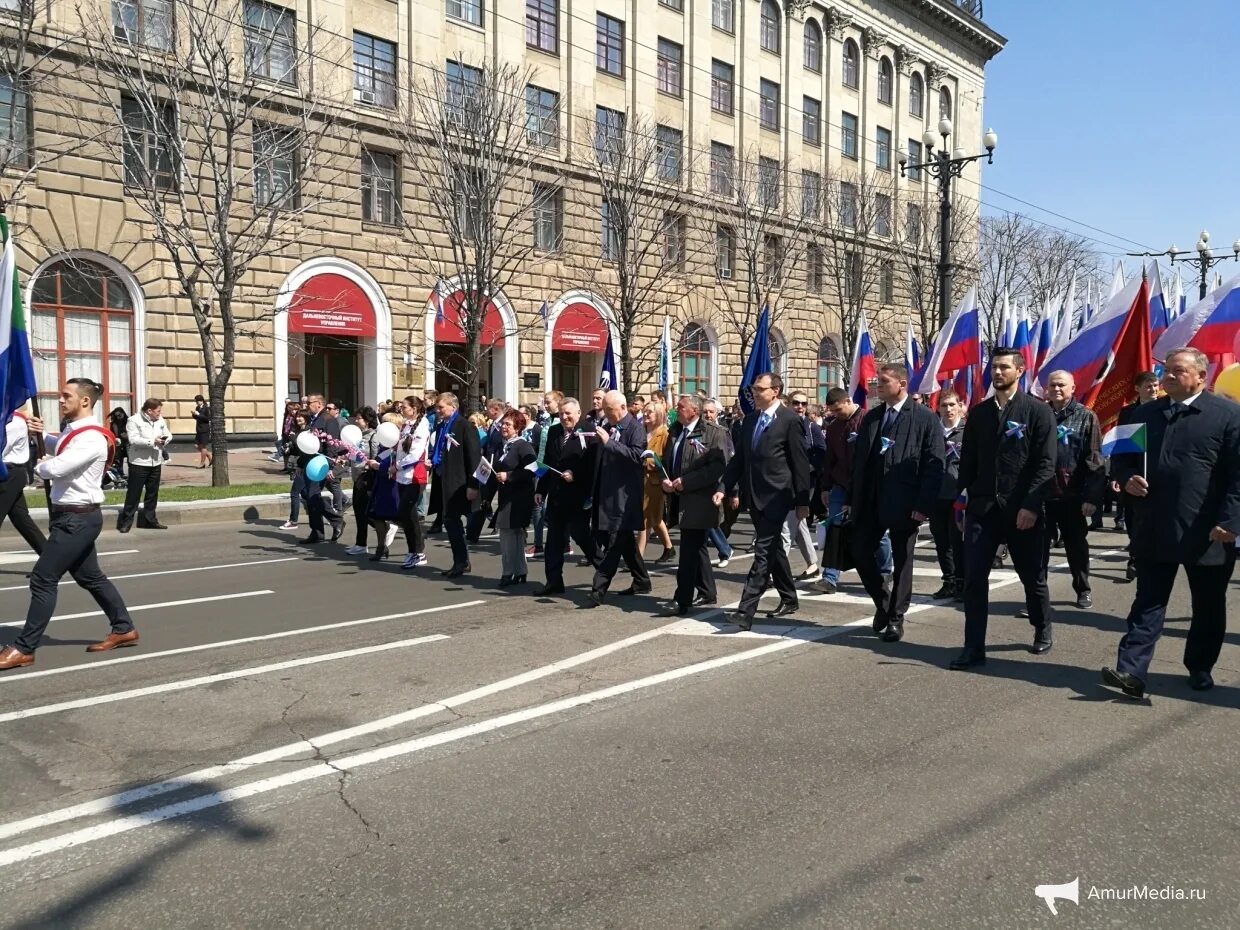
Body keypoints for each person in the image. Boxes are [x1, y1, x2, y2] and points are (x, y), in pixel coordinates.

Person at [1102, 347, 1240, 698]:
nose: (1168, 376)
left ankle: (1200, 666)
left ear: (1200, 377)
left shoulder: (1227, 416)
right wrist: (1127, 477)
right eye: (1166, 370)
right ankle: (1130, 671)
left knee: (1208, 606)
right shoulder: (1144, 414)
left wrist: (1231, 520)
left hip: (1209, 532)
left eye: (1178, 371)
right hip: (1155, 525)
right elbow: (1122, 460)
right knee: (1148, 601)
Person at [0, 379, 137, 671]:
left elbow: (57, 467)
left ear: (85, 401)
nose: (61, 401)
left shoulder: (91, 438)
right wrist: (42, 436)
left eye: (66, 396)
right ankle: (124, 628)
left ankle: (24, 648)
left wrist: (33, 465)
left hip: (77, 518)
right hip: (72, 517)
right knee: (91, 578)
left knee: (42, 579)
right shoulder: (74, 432)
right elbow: (61, 445)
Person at [950, 347, 1057, 670]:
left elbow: (1046, 464)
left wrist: (1030, 506)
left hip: (1021, 510)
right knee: (974, 579)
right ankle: (973, 646)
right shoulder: (980, 414)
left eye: (1004, 368)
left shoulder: (1037, 412)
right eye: (994, 367)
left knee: (1031, 576)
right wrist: (958, 502)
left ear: (1020, 371)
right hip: (982, 509)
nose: (997, 373)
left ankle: (1042, 626)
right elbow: (967, 461)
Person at [847, 364, 946, 642]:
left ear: (902, 384)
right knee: (859, 550)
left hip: (905, 502)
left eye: (884, 382)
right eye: (877, 382)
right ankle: (883, 600)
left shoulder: (924, 418)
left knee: (902, 561)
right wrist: (853, 499)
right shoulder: (873, 418)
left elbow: (933, 465)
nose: (878, 386)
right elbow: (861, 462)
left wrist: (923, 504)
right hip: (871, 501)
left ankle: (895, 617)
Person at [720, 373, 812, 631]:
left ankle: (745, 610)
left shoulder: (790, 421)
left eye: (760, 389)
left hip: (778, 497)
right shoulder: (750, 421)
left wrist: (802, 501)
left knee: (762, 553)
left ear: (776, 391)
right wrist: (723, 487)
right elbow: (739, 461)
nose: (755, 394)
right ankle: (789, 597)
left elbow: (800, 464)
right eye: (753, 389)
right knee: (773, 550)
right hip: (754, 496)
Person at [816, 388, 893, 595]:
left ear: (849, 400)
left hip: (866, 486)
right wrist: (825, 487)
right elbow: (829, 459)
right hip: (840, 484)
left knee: (876, 530)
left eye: (839, 409)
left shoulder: (870, 421)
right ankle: (830, 577)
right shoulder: (833, 428)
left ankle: (885, 570)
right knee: (835, 528)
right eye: (832, 411)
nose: (836, 414)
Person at [659, 395, 728, 616]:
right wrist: (666, 481)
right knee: (697, 548)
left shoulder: (714, 433)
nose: (676, 410)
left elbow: (716, 468)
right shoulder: (675, 431)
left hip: (700, 502)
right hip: (679, 497)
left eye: (680, 407)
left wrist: (686, 482)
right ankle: (707, 591)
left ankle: (682, 599)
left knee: (688, 551)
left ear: (694, 411)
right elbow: (671, 460)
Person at [1041, 370, 1105, 610]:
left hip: (1073, 496)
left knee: (1076, 546)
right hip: (1043, 496)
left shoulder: (1086, 417)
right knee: (1038, 550)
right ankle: (1038, 596)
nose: (1056, 389)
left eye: (1061, 385)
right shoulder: (1040, 415)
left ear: (1073, 388)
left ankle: (1083, 589)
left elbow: (1095, 459)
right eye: (1052, 385)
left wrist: (1091, 497)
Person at [587, 390, 651, 607]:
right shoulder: (608, 427)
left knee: (615, 545)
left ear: (623, 407)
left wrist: (609, 443)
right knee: (624, 543)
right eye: (604, 409)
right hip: (607, 495)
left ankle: (598, 589)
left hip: (625, 498)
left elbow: (637, 456)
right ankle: (642, 580)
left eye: (609, 410)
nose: (606, 413)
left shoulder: (635, 428)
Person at [535, 398, 600, 596]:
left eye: (568, 413)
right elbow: (548, 464)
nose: (564, 417)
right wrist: (541, 490)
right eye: (561, 414)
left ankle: (605, 568)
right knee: (553, 541)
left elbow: (593, 465)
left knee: (581, 536)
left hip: (579, 496)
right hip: (556, 496)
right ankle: (554, 582)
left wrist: (575, 475)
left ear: (578, 413)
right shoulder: (554, 431)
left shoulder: (589, 432)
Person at [1112, 371, 1160, 581]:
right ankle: (1135, 556)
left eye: (1156, 385)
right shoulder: (1127, 412)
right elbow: (1121, 446)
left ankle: (1152, 557)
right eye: (1148, 386)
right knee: (1133, 517)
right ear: (1138, 389)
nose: (1153, 389)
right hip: (1134, 473)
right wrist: (1117, 475)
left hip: (1158, 474)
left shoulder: (1166, 408)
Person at [429, 392, 481, 578]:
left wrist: (473, 485)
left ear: (453, 407)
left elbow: (474, 457)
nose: (438, 410)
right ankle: (461, 560)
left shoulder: (465, 426)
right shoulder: (443, 425)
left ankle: (461, 561)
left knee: (452, 519)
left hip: (460, 482)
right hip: (445, 478)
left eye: (441, 407)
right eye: (436, 407)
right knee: (450, 520)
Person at [929, 391, 966, 602]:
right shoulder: (934, 431)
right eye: (944, 405)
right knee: (942, 540)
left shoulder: (968, 431)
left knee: (958, 540)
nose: (949, 409)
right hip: (937, 495)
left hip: (959, 495)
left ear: (960, 406)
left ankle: (962, 581)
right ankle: (949, 581)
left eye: (952, 405)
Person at [494, 409, 537, 587]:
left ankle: (508, 572)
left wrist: (509, 476)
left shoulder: (523, 446)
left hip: (519, 498)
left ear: (518, 427)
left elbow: (533, 470)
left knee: (509, 534)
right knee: (513, 535)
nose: (503, 427)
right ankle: (520, 571)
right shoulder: (504, 445)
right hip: (506, 496)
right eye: (503, 423)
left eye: (508, 424)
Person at [785, 390, 825, 579]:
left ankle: (772, 570)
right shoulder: (782, 425)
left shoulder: (811, 427)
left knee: (789, 522)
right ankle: (812, 564)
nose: (800, 407)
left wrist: (808, 467)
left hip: (804, 482)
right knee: (798, 521)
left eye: (803, 403)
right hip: (784, 480)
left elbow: (822, 453)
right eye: (796, 403)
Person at [118, 398, 172, 532]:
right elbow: (133, 439)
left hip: (156, 461)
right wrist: (152, 441)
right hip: (139, 463)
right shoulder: (133, 420)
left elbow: (168, 434)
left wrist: (164, 441)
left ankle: (150, 520)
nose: (160, 413)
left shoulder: (160, 419)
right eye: (158, 411)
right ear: (149, 410)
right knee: (133, 493)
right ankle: (126, 522)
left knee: (152, 493)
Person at [1, 406, 46, 555]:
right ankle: (49, 559)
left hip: (9, 474)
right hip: (9, 474)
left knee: (22, 521)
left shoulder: (14, 421)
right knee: (23, 521)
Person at [394, 397, 431, 569]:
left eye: (404, 406)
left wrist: (398, 466)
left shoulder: (422, 426)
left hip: (415, 476)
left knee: (409, 514)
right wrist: (393, 464)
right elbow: (400, 449)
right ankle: (414, 550)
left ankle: (418, 552)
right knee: (406, 516)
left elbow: (415, 455)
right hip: (402, 476)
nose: (401, 409)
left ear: (415, 408)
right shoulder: (405, 425)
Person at [639, 399, 676, 563]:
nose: (646, 414)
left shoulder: (664, 434)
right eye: (645, 411)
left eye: (650, 412)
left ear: (659, 414)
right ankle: (669, 547)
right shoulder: (641, 431)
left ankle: (637, 558)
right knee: (655, 518)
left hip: (654, 483)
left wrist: (646, 460)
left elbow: (664, 459)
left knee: (645, 519)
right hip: (641, 481)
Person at [342, 407, 380, 557]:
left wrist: (370, 464)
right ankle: (360, 544)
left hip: (367, 478)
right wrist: (343, 461)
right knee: (359, 512)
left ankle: (384, 528)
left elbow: (377, 457)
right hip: (357, 478)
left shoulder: (373, 436)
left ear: (368, 420)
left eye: (359, 418)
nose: (356, 421)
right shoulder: (356, 436)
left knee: (365, 511)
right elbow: (353, 457)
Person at [702, 398, 734, 567]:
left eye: (711, 411)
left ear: (717, 413)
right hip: (701, 480)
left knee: (710, 519)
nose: (708, 414)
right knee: (704, 519)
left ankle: (725, 550)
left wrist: (731, 489)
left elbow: (729, 458)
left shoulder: (722, 431)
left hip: (717, 482)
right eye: (705, 411)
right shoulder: (699, 430)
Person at [281, 411, 310, 530]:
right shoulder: (296, 430)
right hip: (298, 465)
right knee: (306, 494)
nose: (298, 419)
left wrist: (294, 439)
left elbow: (306, 449)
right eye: (297, 416)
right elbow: (295, 450)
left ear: (306, 418)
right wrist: (288, 448)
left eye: (301, 417)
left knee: (294, 493)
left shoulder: (309, 431)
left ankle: (293, 521)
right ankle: (330, 514)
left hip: (306, 466)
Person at [107, 407, 129, 478]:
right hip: (119, 443)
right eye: (116, 416)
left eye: (119, 415)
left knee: (130, 460)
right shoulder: (113, 423)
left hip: (128, 443)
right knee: (118, 459)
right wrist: (115, 438)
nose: (118, 417)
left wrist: (127, 436)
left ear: (123, 414)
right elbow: (112, 433)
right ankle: (120, 475)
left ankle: (132, 475)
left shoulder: (128, 421)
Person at [192, 394, 212, 469]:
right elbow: (197, 418)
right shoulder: (197, 407)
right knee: (196, 445)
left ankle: (202, 463)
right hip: (199, 429)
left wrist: (199, 414)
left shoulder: (206, 408)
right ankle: (210, 457)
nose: (197, 403)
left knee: (203, 447)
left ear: (202, 401)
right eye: (196, 401)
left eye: (198, 401)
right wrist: (194, 414)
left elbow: (207, 418)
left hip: (205, 430)